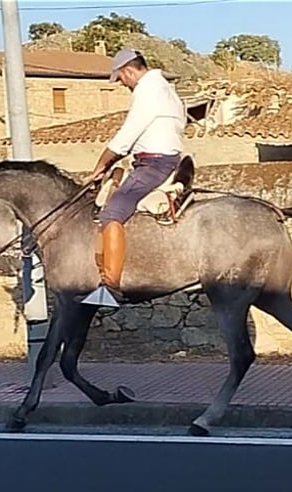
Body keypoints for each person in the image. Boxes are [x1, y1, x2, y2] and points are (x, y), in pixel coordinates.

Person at [83, 48, 186, 303]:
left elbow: (125, 138)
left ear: (129, 70)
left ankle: (110, 287)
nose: (122, 84)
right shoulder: (166, 89)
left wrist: (100, 166)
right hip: (162, 159)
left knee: (111, 213)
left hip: (153, 164)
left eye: (120, 78)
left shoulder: (147, 92)